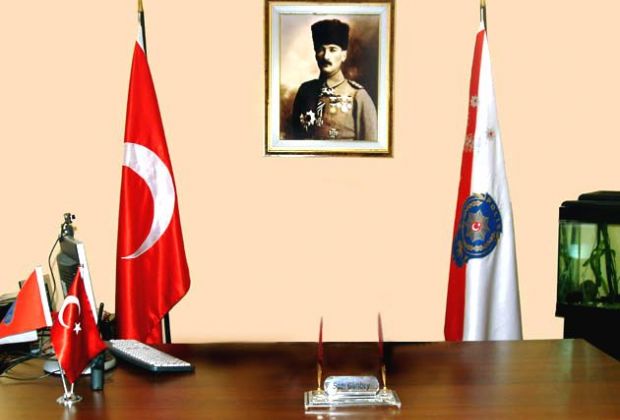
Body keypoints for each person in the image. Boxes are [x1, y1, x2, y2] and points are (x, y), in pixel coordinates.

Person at [291, 19, 378, 141]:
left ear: (343, 55)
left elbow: (370, 148)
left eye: (333, 50)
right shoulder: (305, 91)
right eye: (321, 49)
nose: (326, 56)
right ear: (316, 55)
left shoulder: (358, 96)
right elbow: (293, 140)